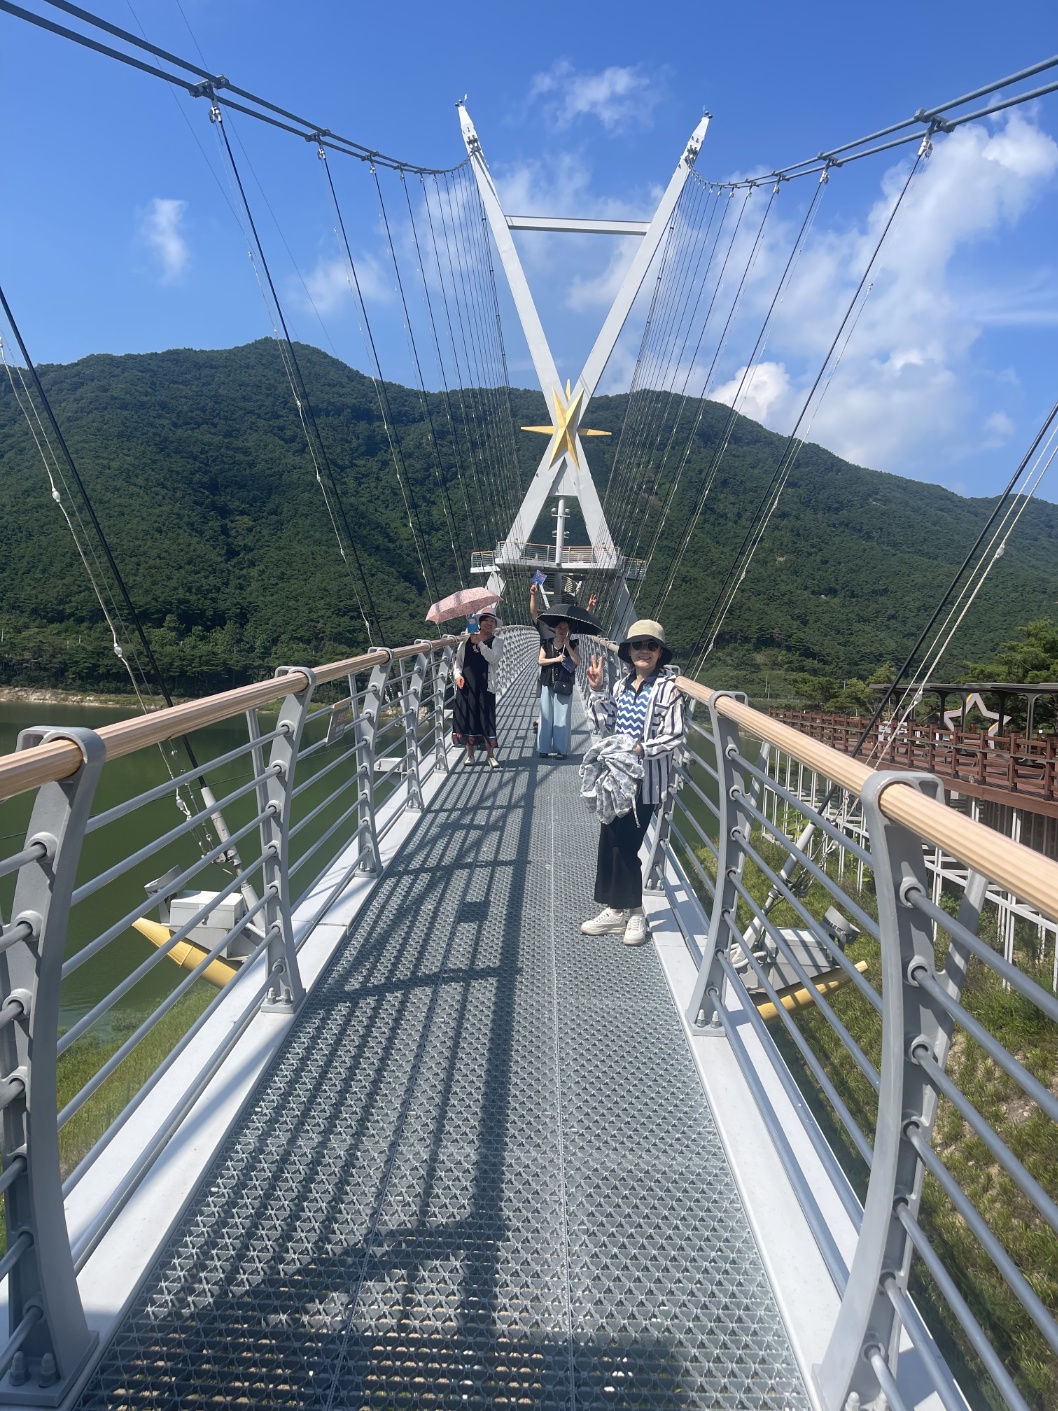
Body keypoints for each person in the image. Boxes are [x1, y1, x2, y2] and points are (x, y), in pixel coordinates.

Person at [581, 619, 684, 946]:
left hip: (646, 782)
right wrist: (597, 690)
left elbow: (674, 735)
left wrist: (641, 749)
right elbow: (605, 725)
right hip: (615, 779)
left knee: (627, 845)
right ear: (628, 651)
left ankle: (635, 913)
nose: (644, 650)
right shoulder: (620, 686)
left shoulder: (669, 689)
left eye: (651, 646)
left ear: (660, 653)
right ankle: (615, 911)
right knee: (610, 840)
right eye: (637, 645)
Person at [453, 611, 504, 768]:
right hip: (467, 686)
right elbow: (458, 662)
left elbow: (493, 658)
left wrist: (479, 643)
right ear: (479, 623)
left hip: (485, 687)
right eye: (485, 620)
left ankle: (491, 756)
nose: (488, 623)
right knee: (469, 718)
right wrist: (457, 675)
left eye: (492, 621)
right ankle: (470, 755)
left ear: (495, 626)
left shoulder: (497, 642)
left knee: (486, 719)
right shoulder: (466, 640)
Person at [537, 618, 581, 758]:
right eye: (560, 627)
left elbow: (577, 661)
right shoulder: (547, 643)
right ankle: (543, 748)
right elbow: (540, 661)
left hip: (564, 684)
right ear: (555, 629)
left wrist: (568, 647)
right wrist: (556, 659)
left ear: (568, 630)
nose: (562, 630)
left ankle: (561, 750)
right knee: (546, 716)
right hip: (548, 682)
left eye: (565, 628)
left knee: (562, 717)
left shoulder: (573, 644)